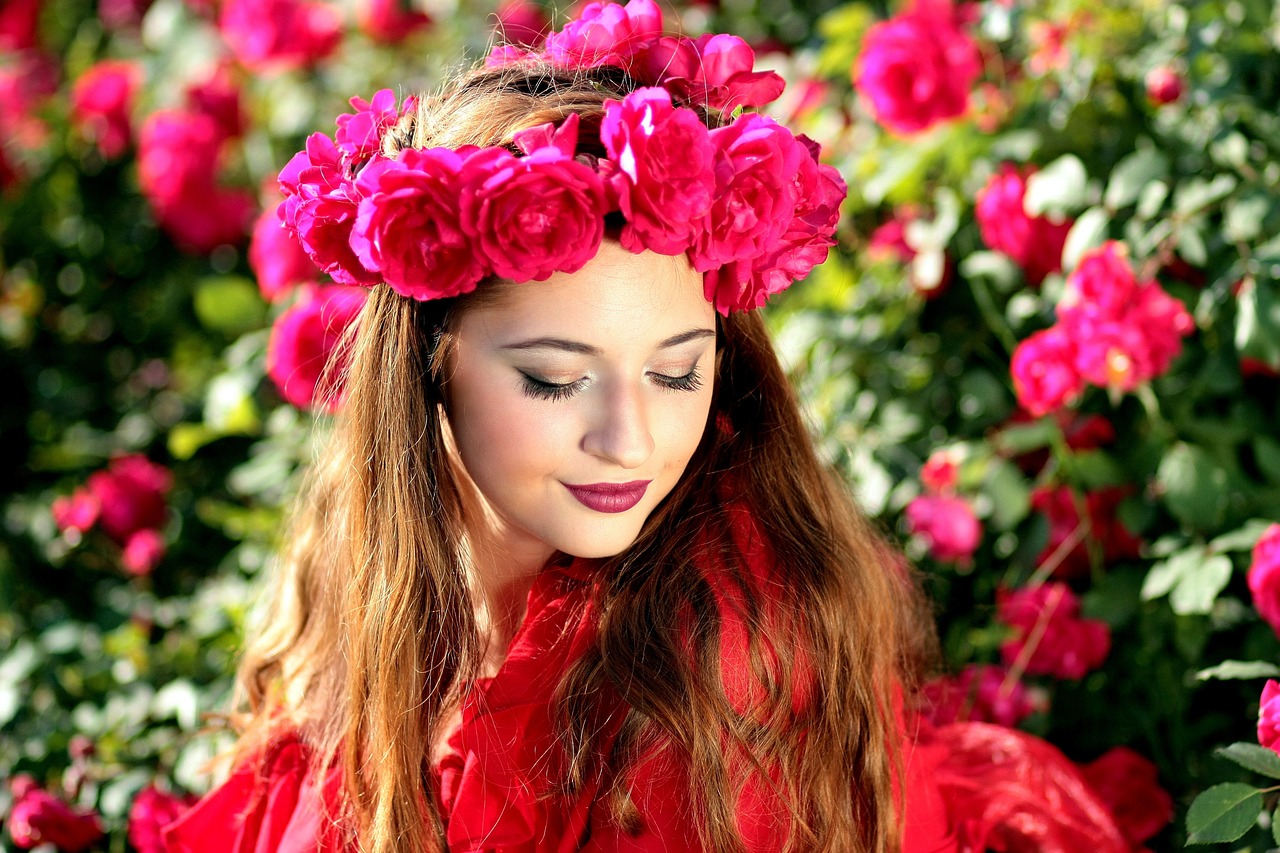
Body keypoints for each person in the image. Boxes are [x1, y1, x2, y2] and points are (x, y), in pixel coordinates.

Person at [164, 2, 1133, 851]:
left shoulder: (720, 667)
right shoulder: (369, 558)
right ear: (426, 372)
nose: (630, 441)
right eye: (553, 380)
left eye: (677, 370)